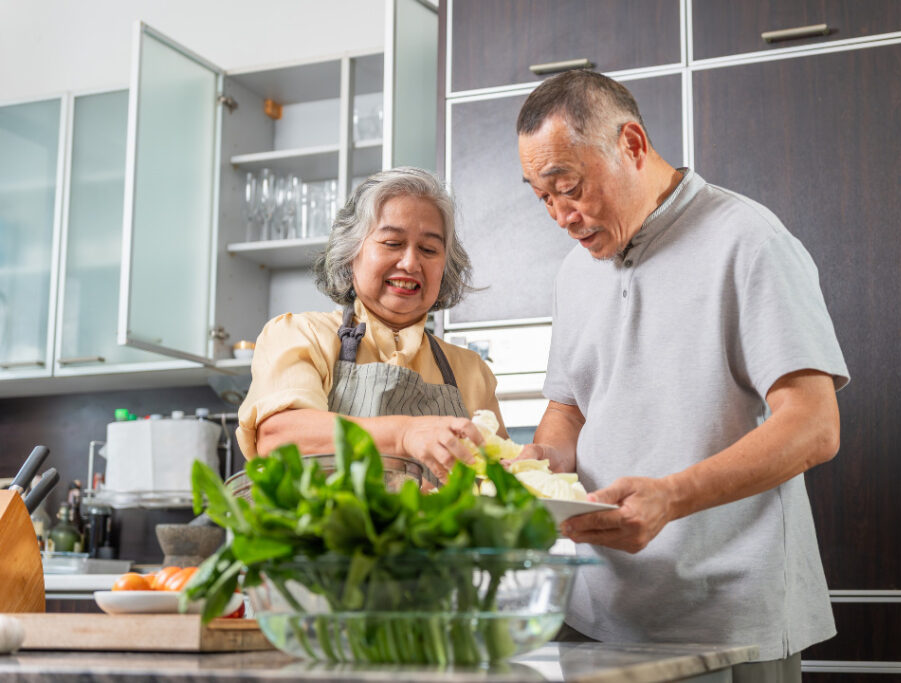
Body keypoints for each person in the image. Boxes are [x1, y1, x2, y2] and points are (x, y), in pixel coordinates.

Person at [516, 69, 849, 679]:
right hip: (598, 615)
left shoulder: (748, 241)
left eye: (569, 186)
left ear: (633, 145)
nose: (562, 214)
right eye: (542, 197)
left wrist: (671, 497)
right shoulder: (574, 270)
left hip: (728, 621)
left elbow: (814, 425)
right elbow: (570, 410)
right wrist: (539, 464)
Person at [236, 167, 505, 482]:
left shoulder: (471, 371)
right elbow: (280, 439)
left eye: (429, 249)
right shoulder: (301, 335)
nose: (410, 263)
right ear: (352, 254)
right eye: (392, 243)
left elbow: (498, 481)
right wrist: (404, 435)